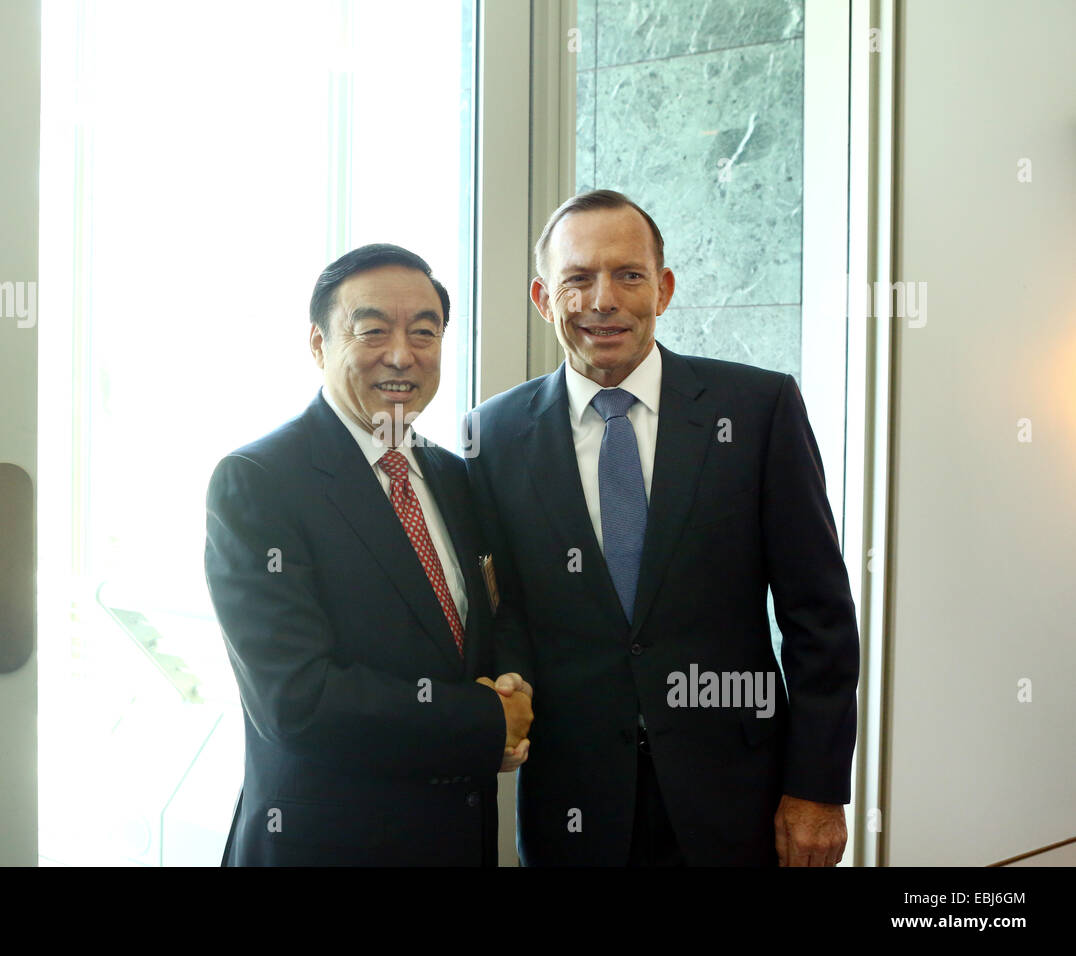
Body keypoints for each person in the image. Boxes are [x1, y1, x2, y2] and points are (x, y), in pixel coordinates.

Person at [467, 190, 860, 866]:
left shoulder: (758, 410)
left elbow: (819, 616)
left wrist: (818, 790)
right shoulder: (493, 434)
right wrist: (502, 698)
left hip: (738, 799)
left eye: (628, 274)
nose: (603, 300)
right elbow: (503, 612)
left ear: (664, 287)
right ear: (543, 297)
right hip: (573, 802)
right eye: (578, 279)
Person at [205, 243, 531, 866]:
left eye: (424, 332)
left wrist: (513, 686)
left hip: (455, 840)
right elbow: (297, 700)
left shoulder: (451, 475)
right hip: (328, 844)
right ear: (319, 344)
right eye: (373, 330)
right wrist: (488, 721)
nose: (402, 355)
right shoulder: (259, 481)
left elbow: (486, 616)